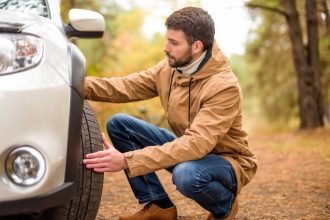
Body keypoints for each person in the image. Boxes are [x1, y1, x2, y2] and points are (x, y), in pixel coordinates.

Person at [83, 6, 257, 220]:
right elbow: (125, 87)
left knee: (186, 175)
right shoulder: (171, 68)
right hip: (190, 149)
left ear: (196, 46)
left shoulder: (223, 86)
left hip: (227, 161)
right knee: (120, 125)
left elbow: (196, 144)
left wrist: (127, 160)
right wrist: (76, 85)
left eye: (174, 43)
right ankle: (159, 205)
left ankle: (225, 207)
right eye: (167, 40)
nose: (166, 48)